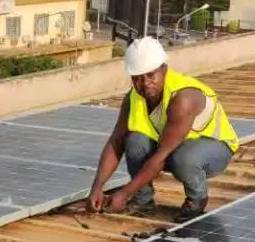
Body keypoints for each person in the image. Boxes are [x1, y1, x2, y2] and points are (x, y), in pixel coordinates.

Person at [87, 36, 240, 223]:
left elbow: (161, 157)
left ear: (164, 69)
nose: (144, 84)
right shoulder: (133, 98)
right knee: (134, 141)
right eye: (137, 78)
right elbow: (116, 141)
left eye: (151, 75)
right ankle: (143, 202)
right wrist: (96, 188)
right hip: (172, 147)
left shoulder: (183, 97)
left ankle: (197, 199)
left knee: (182, 158)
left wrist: (124, 193)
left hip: (215, 149)